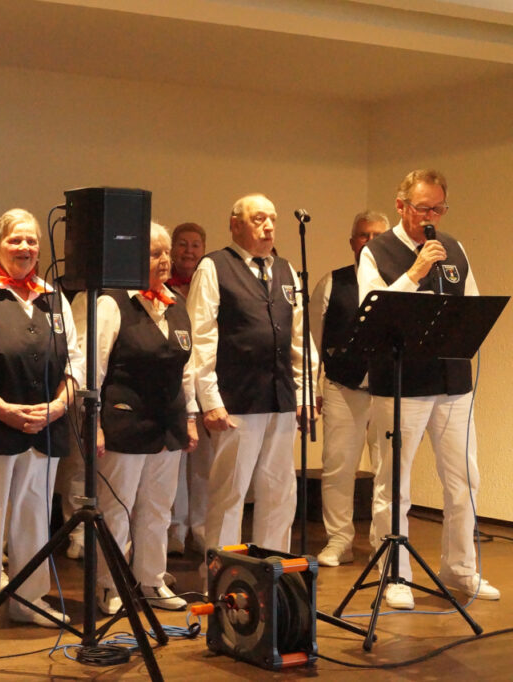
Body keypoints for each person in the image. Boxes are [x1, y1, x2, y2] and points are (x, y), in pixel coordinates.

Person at [357, 169, 498, 609]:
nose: (432, 217)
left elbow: (471, 306)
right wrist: (415, 272)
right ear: (402, 207)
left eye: (439, 208)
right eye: (423, 208)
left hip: (452, 382)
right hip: (401, 383)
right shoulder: (376, 252)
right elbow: (373, 311)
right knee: (393, 479)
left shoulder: (454, 249)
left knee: (464, 479)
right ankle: (394, 572)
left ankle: (460, 568)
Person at [0, 208, 85, 636]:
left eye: (32, 241)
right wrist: (2, 410)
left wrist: (60, 405)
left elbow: (77, 359)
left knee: (34, 519)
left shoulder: (52, 297)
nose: (25, 248)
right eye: (15, 241)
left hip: (45, 428)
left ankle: (29, 600)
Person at [76, 221, 198, 615]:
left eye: (166, 253)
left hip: (168, 423)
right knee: (117, 509)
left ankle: (151, 580)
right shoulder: (112, 302)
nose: (164, 260)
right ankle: (110, 585)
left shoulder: (175, 302)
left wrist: (191, 418)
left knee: (159, 508)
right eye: (154, 254)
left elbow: (188, 368)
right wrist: (92, 423)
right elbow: (93, 367)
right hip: (123, 423)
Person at [187, 194, 316, 560]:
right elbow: (202, 338)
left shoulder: (287, 270)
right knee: (230, 493)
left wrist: (305, 393)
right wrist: (209, 400)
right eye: (259, 219)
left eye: (273, 219)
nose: (269, 226)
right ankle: (223, 576)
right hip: (236, 400)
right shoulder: (214, 267)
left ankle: (273, 572)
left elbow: (300, 337)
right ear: (235, 225)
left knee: (279, 491)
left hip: (281, 398)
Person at [311, 210, 389, 568]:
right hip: (343, 387)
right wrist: (312, 389)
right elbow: (312, 341)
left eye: (377, 236)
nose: (369, 242)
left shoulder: (403, 282)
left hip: (389, 391)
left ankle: (383, 542)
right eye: (362, 236)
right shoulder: (331, 282)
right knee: (338, 466)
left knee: (389, 469)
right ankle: (339, 539)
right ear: (352, 242)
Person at [165, 222, 208, 556]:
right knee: (176, 462)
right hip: (173, 381)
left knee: (204, 462)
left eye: (196, 245)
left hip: (207, 381)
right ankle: (176, 530)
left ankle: (202, 528)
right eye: (182, 244)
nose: (189, 251)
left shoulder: (212, 283)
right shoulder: (161, 288)